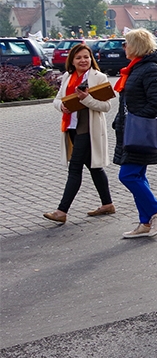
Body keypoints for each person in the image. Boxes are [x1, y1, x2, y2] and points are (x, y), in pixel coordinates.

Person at [43, 43, 115, 224]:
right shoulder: (68, 76)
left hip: (88, 129)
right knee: (95, 167)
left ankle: (61, 211)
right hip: (71, 128)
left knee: (75, 168)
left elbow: (106, 106)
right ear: (72, 61)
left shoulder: (99, 77)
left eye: (86, 57)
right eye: (79, 58)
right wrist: (62, 106)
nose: (83, 60)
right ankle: (107, 204)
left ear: (91, 58)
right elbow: (57, 99)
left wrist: (87, 99)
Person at [113, 29, 157, 238]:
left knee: (128, 175)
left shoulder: (151, 68)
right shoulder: (135, 68)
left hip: (140, 132)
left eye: (126, 43)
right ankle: (145, 222)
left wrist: (134, 122)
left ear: (136, 45)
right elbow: (128, 101)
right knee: (137, 175)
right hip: (130, 131)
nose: (123, 47)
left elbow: (156, 104)